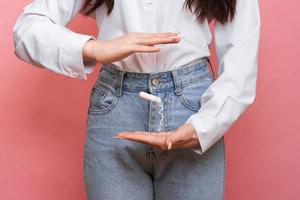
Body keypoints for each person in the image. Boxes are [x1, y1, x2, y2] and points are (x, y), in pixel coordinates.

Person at [13, 0, 261, 199]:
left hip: (194, 108)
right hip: (115, 109)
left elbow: (242, 56)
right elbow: (27, 28)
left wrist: (205, 126)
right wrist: (91, 48)